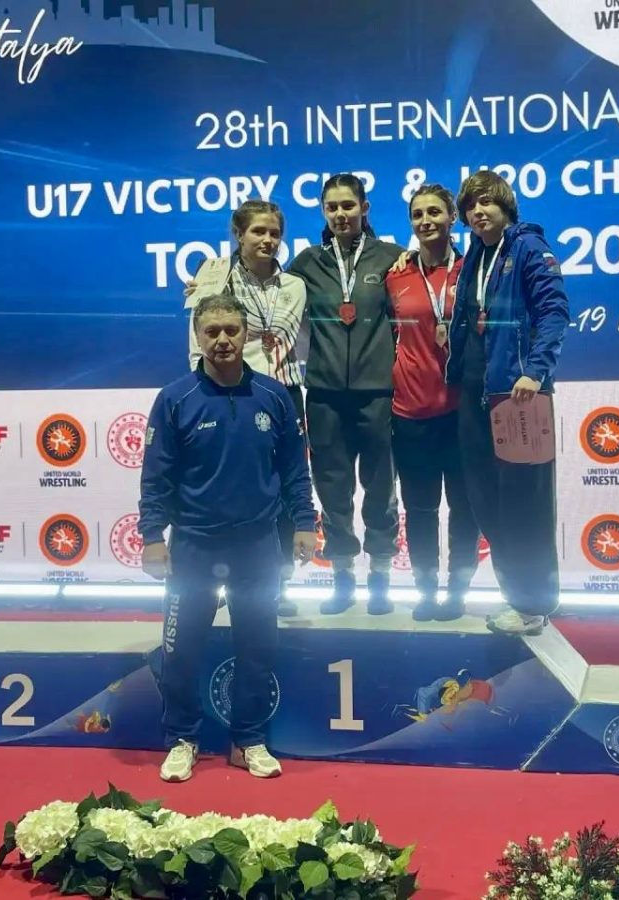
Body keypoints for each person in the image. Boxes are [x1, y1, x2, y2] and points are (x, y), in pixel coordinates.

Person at [139, 291, 317, 782]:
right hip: (193, 545)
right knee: (181, 650)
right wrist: (152, 535)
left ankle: (248, 740)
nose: (222, 340)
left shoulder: (274, 397)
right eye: (212, 331)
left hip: (258, 545)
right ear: (198, 337)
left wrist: (305, 522)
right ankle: (182, 739)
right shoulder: (175, 399)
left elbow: (294, 469)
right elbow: (156, 476)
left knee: (256, 647)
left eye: (231, 330)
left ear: (246, 334)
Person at [445, 171, 569, 636]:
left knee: (525, 505)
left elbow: (555, 312)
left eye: (487, 203)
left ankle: (533, 605)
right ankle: (518, 595)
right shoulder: (477, 254)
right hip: (477, 393)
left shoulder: (528, 248)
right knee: (487, 500)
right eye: (471, 206)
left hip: (519, 395)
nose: (478, 212)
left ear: (506, 206)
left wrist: (535, 371)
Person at [183, 200, 308, 618]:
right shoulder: (213, 278)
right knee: (224, 486)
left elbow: (287, 335)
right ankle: (219, 582)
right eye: (258, 231)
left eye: (274, 233)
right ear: (239, 234)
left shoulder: (294, 285)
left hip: (281, 394)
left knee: (283, 487)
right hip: (223, 393)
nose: (268, 239)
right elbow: (198, 339)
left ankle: (279, 584)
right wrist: (200, 390)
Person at [288, 174, 404, 615]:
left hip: (378, 394)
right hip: (324, 395)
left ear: (364, 208)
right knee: (333, 490)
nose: (340, 214)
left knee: (381, 487)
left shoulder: (392, 258)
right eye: (332, 207)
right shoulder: (307, 263)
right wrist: (209, 285)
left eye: (348, 205)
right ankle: (342, 576)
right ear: (323, 211)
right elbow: (264, 290)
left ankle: (380, 577)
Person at [386, 184, 479, 621]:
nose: (426, 221)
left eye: (435, 212)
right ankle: (425, 591)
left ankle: (457, 591)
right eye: (418, 214)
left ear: (452, 218)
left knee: (464, 509)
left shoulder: (472, 269)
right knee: (420, 510)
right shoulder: (395, 274)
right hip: (411, 412)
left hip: (462, 413)